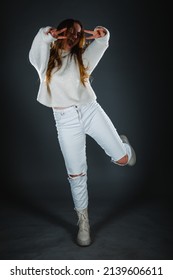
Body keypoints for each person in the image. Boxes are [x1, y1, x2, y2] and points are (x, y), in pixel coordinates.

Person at [29, 18, 136, 247]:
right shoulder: (45, 60)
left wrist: (103, 35)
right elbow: (35, 51)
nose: (74, 36)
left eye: (78, 33)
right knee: (76, 174)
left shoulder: (81, 59)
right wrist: (46, 35)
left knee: (124, 159)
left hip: (89, 111)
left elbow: (100, 45)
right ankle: (83, 222)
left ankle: (122, 147)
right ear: (60, 32)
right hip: (65, 120)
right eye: (69, 31)